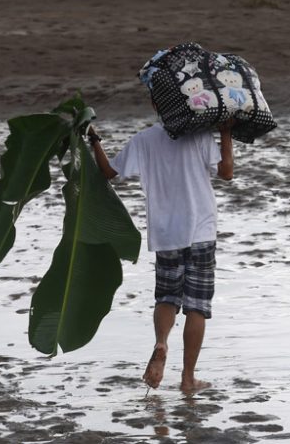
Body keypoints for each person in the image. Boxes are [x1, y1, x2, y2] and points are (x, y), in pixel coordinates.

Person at [88, 116, 234, 394]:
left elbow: (108, 172)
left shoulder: (144, 139)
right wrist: (225, 133)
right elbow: (226, 172)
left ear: (157, 104)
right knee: (197, 306)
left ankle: (161, 343)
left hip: (166, 232)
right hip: (201, 230)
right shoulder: (200, 135)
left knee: (167, 296)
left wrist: (94, 139)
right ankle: (188, 378)